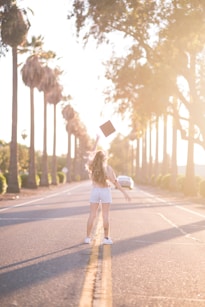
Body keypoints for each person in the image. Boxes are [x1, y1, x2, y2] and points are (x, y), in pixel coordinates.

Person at [84, 148, 131, 245]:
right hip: (105, 191)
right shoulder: (108, 169)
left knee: (92, 215)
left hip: (95, 191)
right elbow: (115, 182)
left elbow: (89, 156)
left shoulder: (92, 166)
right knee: (105, 215)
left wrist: (96, 142)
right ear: (104, 158)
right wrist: (125, 193)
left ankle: (87, 238)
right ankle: (106, 238)